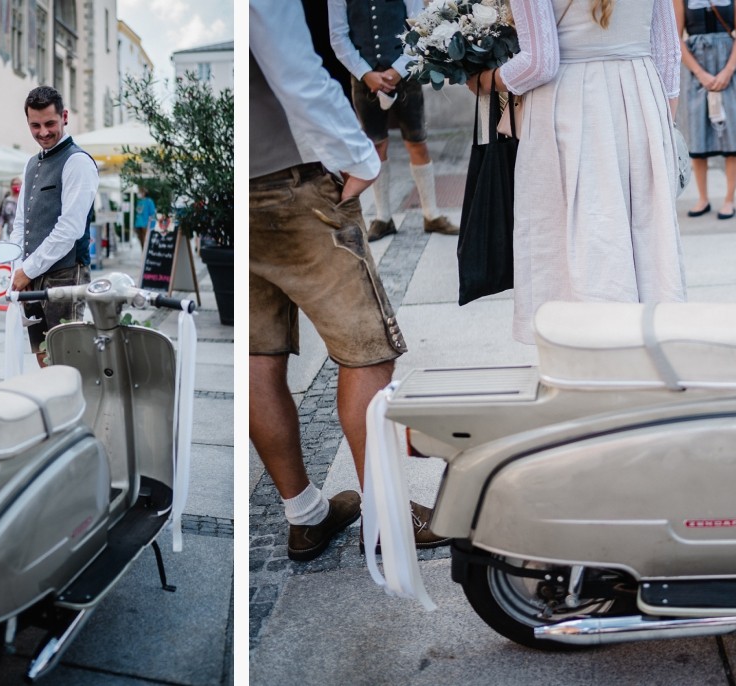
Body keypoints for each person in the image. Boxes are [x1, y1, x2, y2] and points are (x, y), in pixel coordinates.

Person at [252, 0, 449, 561]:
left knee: (259, 358)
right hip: (293, 179)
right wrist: (360, 157)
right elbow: (294, 68)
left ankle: (305, 516)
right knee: (366, 352)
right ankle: (387, 520)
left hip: (238, 191)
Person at [470, 0, 687, 344]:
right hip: (639, 97)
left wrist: (486, 80)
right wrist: (661, 127)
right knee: (645, 231)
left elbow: (540, 62)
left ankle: (585, 345)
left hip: (568, 104)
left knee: (574, 229)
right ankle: (646, 342)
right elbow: (667, 54)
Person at [328, 0, 460, 241]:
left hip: (407, 73)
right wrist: (365, 74)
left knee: (417, 142)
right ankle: (383, 217)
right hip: (363, 77)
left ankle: (432, 215)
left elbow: (419, 28)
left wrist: (399, 69)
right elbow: (338, 36)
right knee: (376, 146)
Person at [7, 86, 96, 366]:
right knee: (44, 358)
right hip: (32, 276)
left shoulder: (78, 161)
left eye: (49, 123)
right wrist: (17, 266)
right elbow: (21, 221)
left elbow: (70, 229)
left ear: (64, 117)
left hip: (66, 275)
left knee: (68, 362)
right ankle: (54, 410)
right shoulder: (31, 163)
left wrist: (27, 270)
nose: (43, 132)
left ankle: (76, 411)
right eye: (35, 125)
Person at [675, 0, 736, 220]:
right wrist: (700, 73)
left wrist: (728, 70)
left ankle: (729, 199)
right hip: (695, 68)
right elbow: (676, 37)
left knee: (733, 136)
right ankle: (702, 198)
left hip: (730, 64)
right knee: (696, 135)